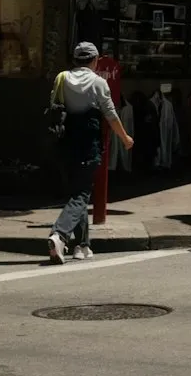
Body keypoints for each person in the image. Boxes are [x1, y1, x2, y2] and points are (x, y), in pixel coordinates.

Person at [48, 42, 134, 264]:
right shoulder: (98, 83)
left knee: (76, 191)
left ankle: (82, 245)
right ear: (95, 60)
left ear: (75, 59)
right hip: (88, 143)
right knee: (81, 194)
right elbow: (111, 115)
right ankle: (59, 234)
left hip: (65, 143)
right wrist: (125, 138)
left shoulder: (62, 78)